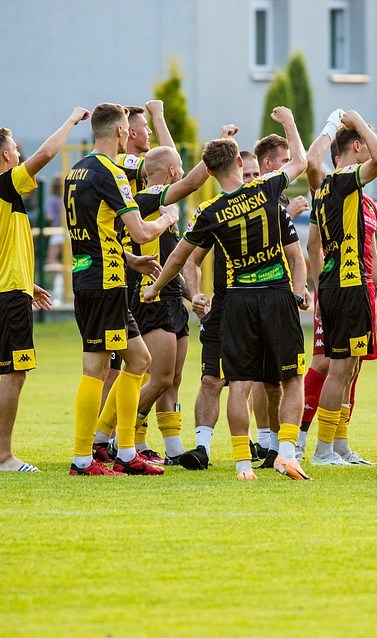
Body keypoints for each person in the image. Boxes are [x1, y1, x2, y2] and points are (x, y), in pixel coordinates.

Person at [145, 106, 311, 482]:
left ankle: (241, 465)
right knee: (291, 378)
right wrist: (288, 121)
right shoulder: (266, 188)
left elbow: (179, 257)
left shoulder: (209, 211)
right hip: (275, 293)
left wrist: (155, 287)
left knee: (239, 383)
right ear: (239, 162)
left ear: (209, 172)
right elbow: (300, 161)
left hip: (236, 299)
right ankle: (287, 453)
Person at [0, 107, 90, 472]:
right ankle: (2, 457)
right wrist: (71, 120)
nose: (20, 152)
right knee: (13, 374)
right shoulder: (3, 186)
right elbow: (47, 154)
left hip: (5, 289)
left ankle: (3, 455)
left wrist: (27, 282)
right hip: (8, 294)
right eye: (15, 148)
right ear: (6, 155)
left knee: (14, 373)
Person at [64, 102, 173, 476]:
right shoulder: (111, 172)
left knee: (139, 360)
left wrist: (130, 259)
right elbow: (141, 231)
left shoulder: (76, 171)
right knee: (96, 369)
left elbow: (93, 234)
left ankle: (125, 452)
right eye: (128, 127)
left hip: (90, 277)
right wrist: (166, 220)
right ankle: (83, 458)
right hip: (105, 283)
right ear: (121, 131)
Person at [305, 110, 377, 466]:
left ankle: (339, 446)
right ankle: (323, 450)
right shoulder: (343, 180)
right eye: (365, 139)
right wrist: (357, 121)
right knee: (340, 369)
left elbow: (314, 244)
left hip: (339, 284)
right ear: (356, 145)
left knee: (349, 368)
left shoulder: (327, 186)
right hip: (348, 283)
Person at [95, 101, 175, 462]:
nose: (146, 133)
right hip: (125, 273)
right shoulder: (123, 163)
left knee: (133, 366)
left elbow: (171, 165)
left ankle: (122, 441)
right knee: (115, 367)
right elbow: (174, 167)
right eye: (142, 127)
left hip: (133, 266)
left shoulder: (129, 166)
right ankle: (104, 440)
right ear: (126, 132)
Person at [188, 149, 260, 466]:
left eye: (257, 176)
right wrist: (194, 294)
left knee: (261, 383)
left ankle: (268, 446)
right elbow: (191, 260)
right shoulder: (215, 212)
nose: (252, 180)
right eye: (248, 174)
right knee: (211, 380)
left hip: (260, 307)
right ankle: (202, 449)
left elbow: (294, 255)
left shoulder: (269, 207)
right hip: (223, 309)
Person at [248, 132, 310, 466]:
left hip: (275, 295)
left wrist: (300, 290)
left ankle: (274, 447)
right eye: (283, 161)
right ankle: (275, 446)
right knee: (267, 378)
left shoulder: (275, 199)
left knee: (270, 379)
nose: (289, 166)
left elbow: (295, 257)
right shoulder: (263, 198)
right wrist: (289, 213)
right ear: (270, 163)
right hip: (261, 297)